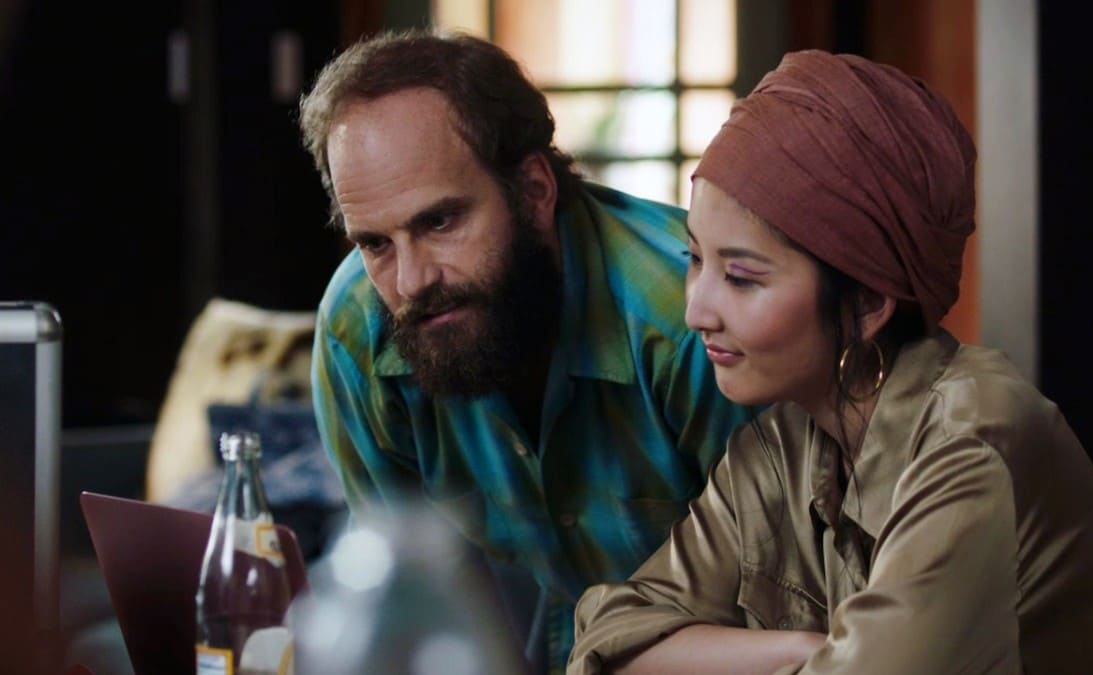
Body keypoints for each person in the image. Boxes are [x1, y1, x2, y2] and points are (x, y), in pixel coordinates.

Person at [567, 50, 1093, 675]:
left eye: (741, 277)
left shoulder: (973, 442)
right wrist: (800, 650)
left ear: (870, 302)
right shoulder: (779, 449)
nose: (696, 311)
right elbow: (606, 638)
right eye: (694, 260)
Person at [298, 29, 757, 672]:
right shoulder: (356, 333)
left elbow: (788, 605)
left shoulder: (693, 322)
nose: (411, 282)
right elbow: (402, 601)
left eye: (440, 222)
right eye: (375, 244)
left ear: (535, 191)